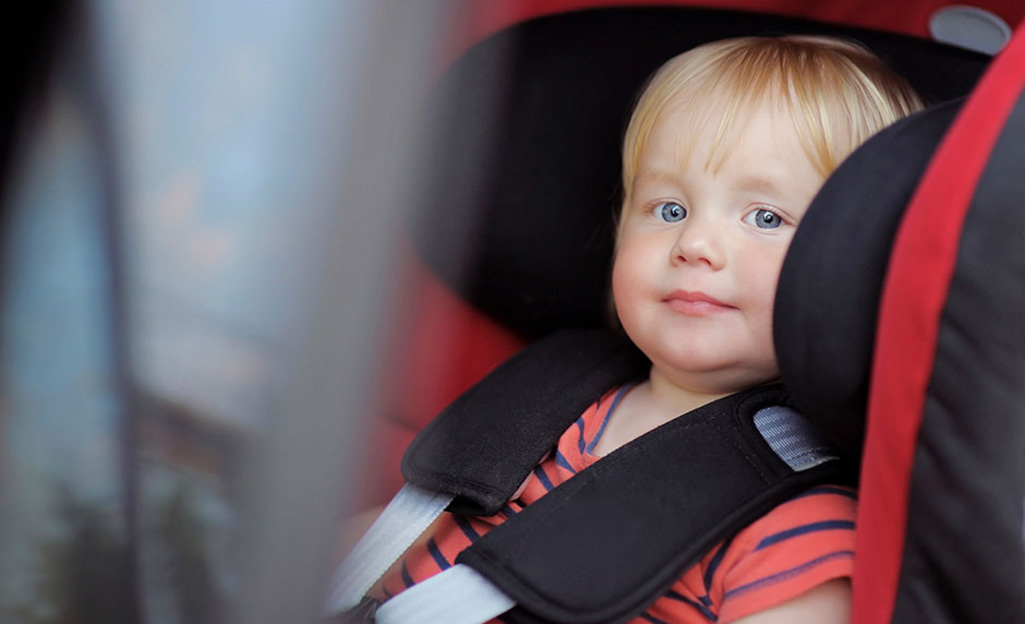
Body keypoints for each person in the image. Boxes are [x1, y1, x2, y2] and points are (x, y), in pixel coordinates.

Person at [367, 35, 923, 623]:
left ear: (865, 269)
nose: (695, 245)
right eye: (669, 209)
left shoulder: (801, 528)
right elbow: (400, 550)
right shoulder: (550, 405)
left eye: (766, 217)